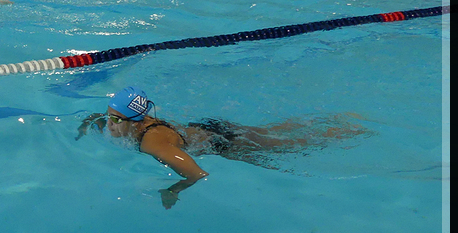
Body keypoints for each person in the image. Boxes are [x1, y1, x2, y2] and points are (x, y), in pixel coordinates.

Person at [78, 86, 366, 209]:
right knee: (269, 133)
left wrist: (172, 190)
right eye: (110, 117)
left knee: (283, 146)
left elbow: (197, 173)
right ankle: (331, 120)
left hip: (221, 143)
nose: (110, 124)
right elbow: (100, 117)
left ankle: (342, 131)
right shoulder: (136, 122)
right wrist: (87, 124)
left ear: (136, 121)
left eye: (117, 120)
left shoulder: (153, 142)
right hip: (206, 127)